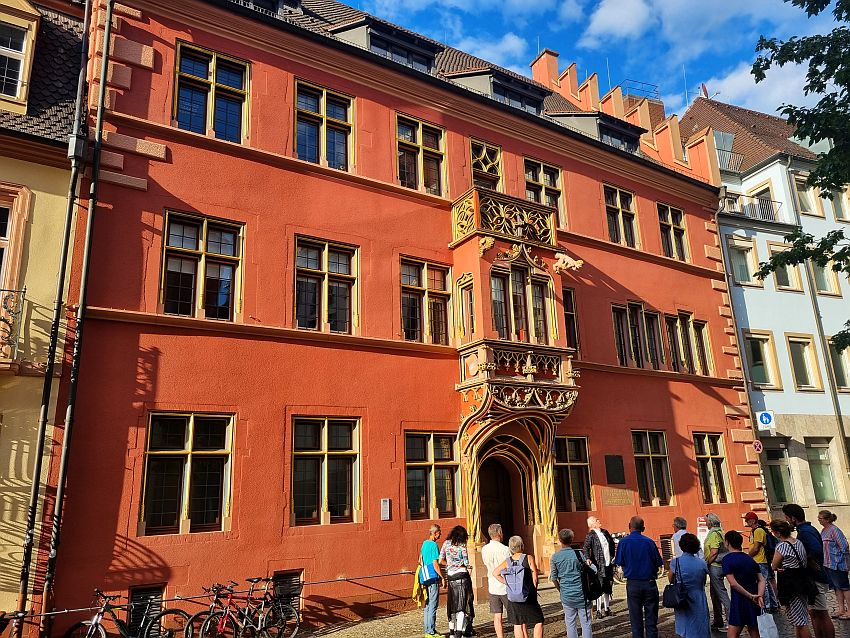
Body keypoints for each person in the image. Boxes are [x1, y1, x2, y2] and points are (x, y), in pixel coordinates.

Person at [783, 503, 835, 638]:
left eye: (787, 517)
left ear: (793, 518)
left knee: (822, 613)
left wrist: (807, 560)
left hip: (815, 577)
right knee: (814, 613)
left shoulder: (805, 532)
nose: (787, 520)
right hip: (812, 578)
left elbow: (817, 550)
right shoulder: (806, 530)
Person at [614, 515, 662, 638]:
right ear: (643, 528)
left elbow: (619, 562)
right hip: (649, 583)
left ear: (629, 527)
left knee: (635, 621)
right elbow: (658, 563)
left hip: (633, 584)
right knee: (651, 621)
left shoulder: (623, 542)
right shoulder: (650, 542)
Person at [493, 536, 544, 638]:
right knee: (539, 620)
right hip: (528, 595)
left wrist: (507, 583)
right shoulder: (528, 558)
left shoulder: (507, 561)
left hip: (513, 597)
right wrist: (533, 589)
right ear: (522, 545)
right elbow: (535, 578)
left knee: (518, 623)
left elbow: (495, 573)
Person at [770, 519, 813, 638]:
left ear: (778, 533)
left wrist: (779, 567)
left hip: (790, 584)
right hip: (802, 581)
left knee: (800, 621)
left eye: (773, 532)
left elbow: (774, 565)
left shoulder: (782, 546)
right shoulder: (798, 542)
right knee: (799, 618)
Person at [721, 530, 765, 638]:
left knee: (732, 633)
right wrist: (759, 595)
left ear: (727, 542)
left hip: (739, 599)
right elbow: (761, 580)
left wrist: (750, 596)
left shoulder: (727, 559)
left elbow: (733, 583)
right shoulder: (749, 559)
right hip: (754, 599)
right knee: (754, 629)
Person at [552, 528, 595, 638]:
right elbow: (593, 570)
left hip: (566, 595)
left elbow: (554, 578)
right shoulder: (579, 554)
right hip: (582, 594)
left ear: (560, 540)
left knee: (570, 624)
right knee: (586, 623)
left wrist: (561, 590)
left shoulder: (555, 557)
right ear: (572, 539)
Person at [668, 533, 710, 638]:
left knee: (685, 623)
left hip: (682, 596)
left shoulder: (675, 562)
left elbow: (670, 579)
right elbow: (703, 581)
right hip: (698, 595)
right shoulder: (702, 563)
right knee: (700, 623)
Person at [439, 525, 474, 638]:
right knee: (461, 606)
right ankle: (459, 632)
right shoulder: (462, 546)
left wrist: (450, 564)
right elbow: (466, 562)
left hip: (451, 576)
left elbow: (441, 560)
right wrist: (464, 565)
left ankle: (452, 632)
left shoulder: (446, 544)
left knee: (452, 605)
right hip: (462, 575)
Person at [482, 523, 513, 638]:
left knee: (497, 616)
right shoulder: (505, 549)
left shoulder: (484, 549)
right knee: (513, 614)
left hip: (493, 585)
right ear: (499, 534)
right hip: (505, 585)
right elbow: (509, 567)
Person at [817, 509, 850, 619]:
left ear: (826, 519)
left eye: (820, 518)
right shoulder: (824, 530)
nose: (818, 520)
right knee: (837, 588)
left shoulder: (835, 530)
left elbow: (844, 546)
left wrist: (839, 560)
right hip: (828, 564)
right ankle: (841, 610)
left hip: (837, 564)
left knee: (844, 587)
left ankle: (849, 611)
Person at [744, 511, 779, 613]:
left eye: (748, 520)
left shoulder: (758, 531)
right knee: (766, 582)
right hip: (759, 560)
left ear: (753, 520)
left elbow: (756, 548)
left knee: (764, 583)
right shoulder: (755, 530)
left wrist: (747, 557)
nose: (746, 521)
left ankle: (767, 606)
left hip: (760, 560)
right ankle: (773, 604)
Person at [583, 516, 616, 618]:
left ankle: (606, 608)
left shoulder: (605, 532)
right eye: (597, 520)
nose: (599, 521)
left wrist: (612, 556)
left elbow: (612, 544)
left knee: (608, 586)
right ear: (593, 524)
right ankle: (598, 610)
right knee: (599, 587)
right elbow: (586, 547)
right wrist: (587, 558)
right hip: (598, 564)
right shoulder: (591, 535)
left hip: (608, 563)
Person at [703, 513, 731, 630]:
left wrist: (707, 562)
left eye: (706, 521)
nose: (705, 523)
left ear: (710, 522)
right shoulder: (720, 531)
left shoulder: (714, 534)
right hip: (718, 565)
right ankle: (718, 620)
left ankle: (730, 622)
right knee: (714, 595)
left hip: (715, 566)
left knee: (722, 594)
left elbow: (714, 551)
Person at [421, 524, 445, 638]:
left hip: (425, 577)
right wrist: (442, 577)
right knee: (433, 604)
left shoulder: (424, 543)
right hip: (433, 577)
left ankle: (428, 630)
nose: (440, 535)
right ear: (435, 533)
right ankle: (431, 631)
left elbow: (420, 559)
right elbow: (436, 563)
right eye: (439, 533)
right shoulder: (433, 545)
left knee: (427, 604)